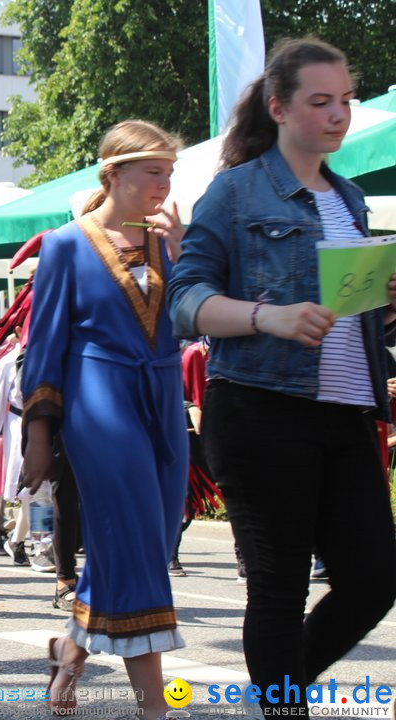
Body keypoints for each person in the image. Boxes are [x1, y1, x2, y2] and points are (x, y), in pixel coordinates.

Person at [167, 38, 396, 718]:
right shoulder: (236, 191)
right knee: (278, 584)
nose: (338, 115)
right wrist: (269, 317)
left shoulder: (349, 197)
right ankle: (283, 706)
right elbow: (185, 301)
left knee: (373, 580)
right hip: (262, 409)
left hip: (348, 412)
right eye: (320, 102)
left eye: (346, 101)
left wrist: (381, 307)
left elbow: (343, 314)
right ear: (279, 108)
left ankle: (280, 687)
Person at [20, 120, 189, 718]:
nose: (164, 184)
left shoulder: (174, 240)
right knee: (139, 543)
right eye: (153, 172)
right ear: (113, 174)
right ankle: (154, 708)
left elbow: (193, 320)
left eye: (169, 172)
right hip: (99, 399)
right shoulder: (67, 243)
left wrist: (184, 253)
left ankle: (67, 652)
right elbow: (43, 344)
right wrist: (40, 436)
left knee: (152, 535)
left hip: (163, 399)